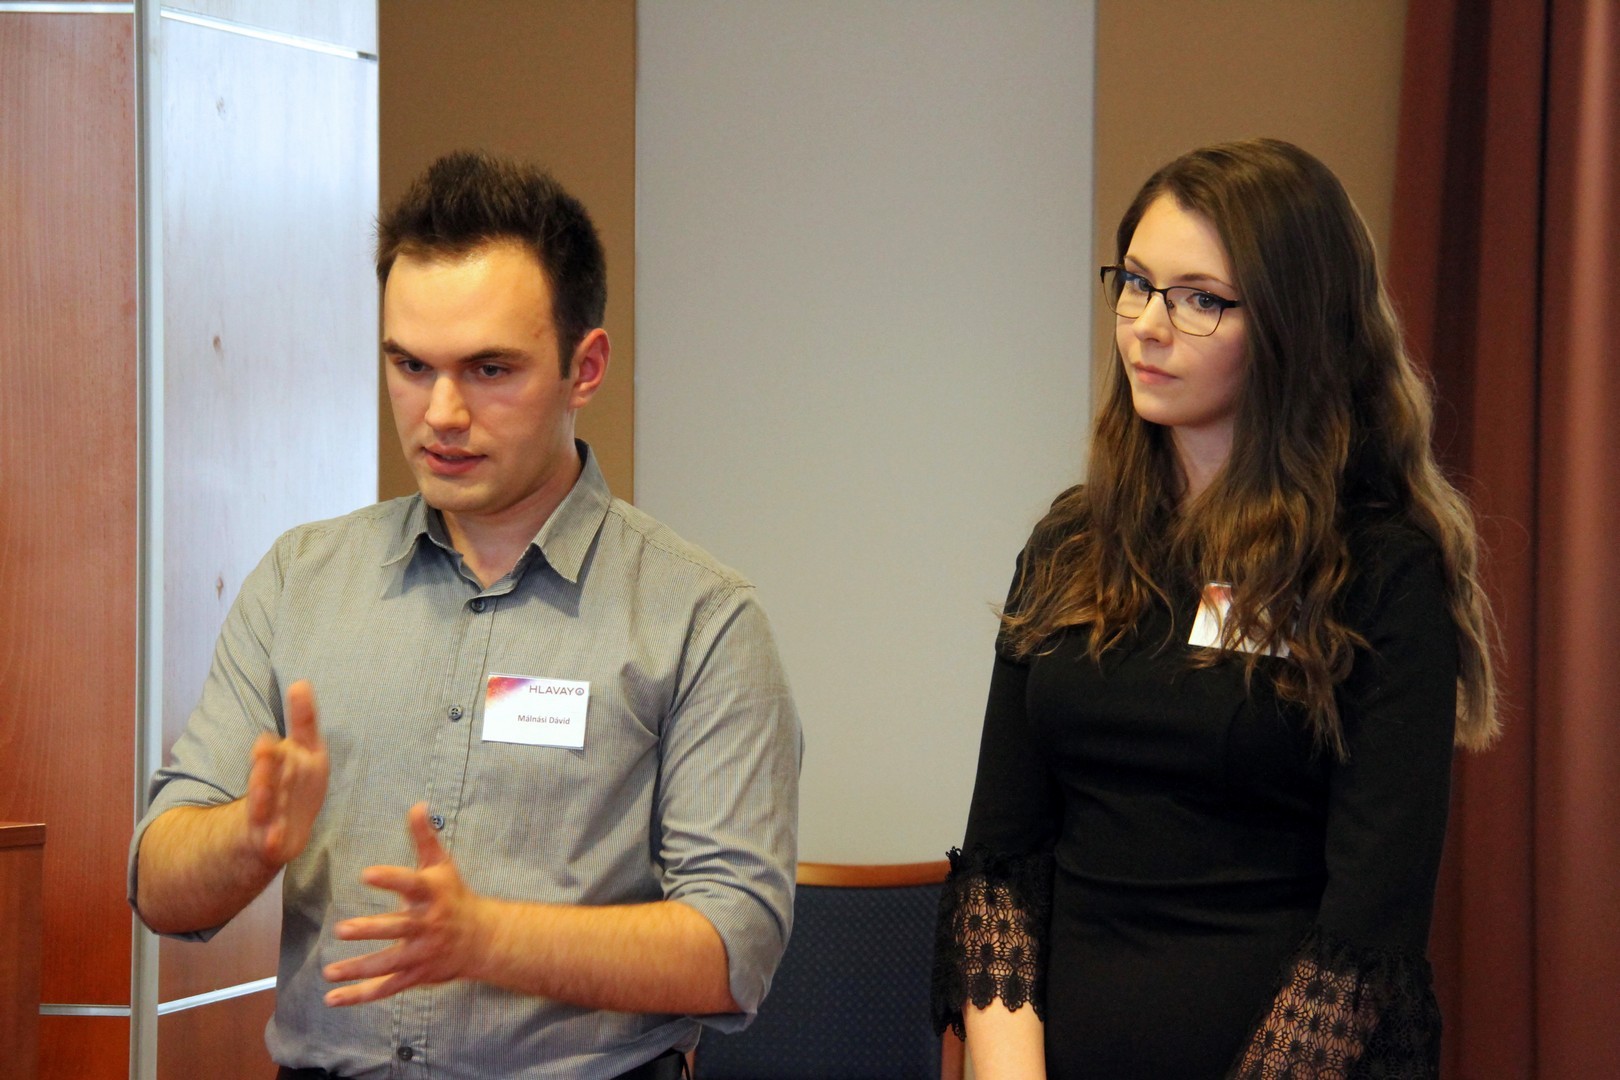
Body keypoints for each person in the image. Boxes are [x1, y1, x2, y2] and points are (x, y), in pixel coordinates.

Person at [129, 151, 802, 1080]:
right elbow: (159, 886)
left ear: (584, 367)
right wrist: (247, 839)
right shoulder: (301, 580)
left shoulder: (700, 619)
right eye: (411, 365)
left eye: (489, 369)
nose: (441, 413)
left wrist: (489, 939)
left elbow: (736, 949)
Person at [931, 138, 1499, 1080]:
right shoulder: (1071, 546)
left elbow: (1366, 934)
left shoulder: (1379, 570)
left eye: (1200, 300)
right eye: (1137, 285)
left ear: (1293, 326)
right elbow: (1001, 870)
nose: (1148, 327)